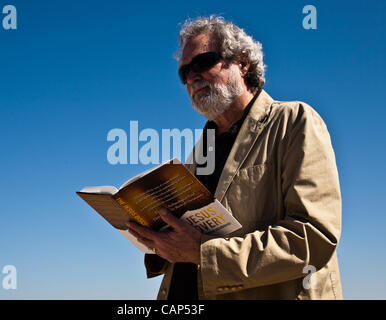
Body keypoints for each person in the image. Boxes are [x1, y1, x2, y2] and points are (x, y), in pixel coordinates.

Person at [126, 16, 342, 300]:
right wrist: (158, 241)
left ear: (242, 63)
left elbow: (312, 237)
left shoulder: (294, 122)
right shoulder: (198, 154)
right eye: (184, 74)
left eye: (202, 63)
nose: (191, 77)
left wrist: (203, 253)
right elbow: (189, 242)